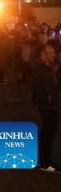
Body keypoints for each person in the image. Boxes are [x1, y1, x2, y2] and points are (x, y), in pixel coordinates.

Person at [32, 43, 60, 172]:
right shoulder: (40, 68)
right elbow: (48, 88)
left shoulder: (46, 66)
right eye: (50, 52)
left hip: (50, 104)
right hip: (48, 105)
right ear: (42, 54)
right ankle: (45, 162)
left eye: (53, 52)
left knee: (49, 132)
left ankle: (44, 159)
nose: (53, 54)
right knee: (48, 133)